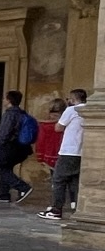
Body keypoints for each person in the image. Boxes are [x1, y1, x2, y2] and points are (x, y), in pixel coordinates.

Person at [42, 89, 87, 221]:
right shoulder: (90, 109)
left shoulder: (72, 110)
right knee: (74, 180)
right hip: (82, 150)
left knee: (58, 179)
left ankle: (56, 209)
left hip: (69, 150)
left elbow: (58, 127)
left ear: (72, 99)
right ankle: (76, 206)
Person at [0, 90, 34, 204]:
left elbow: (5, 132)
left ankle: (23, 187)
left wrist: (0, 144)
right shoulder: (22, 113)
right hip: (21, 147)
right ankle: (3, 194)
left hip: (9, 146)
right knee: (7, 167)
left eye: (5, 98)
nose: (3, 100)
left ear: (9, 100)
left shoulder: (10, 114)